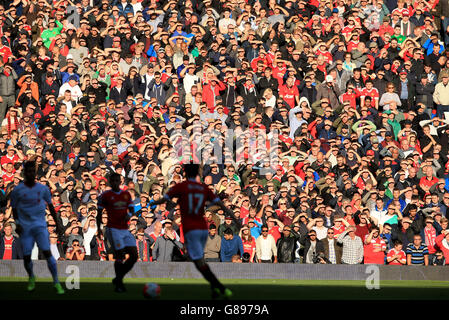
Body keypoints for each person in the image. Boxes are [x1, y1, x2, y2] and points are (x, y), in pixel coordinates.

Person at [151, 164, 234, 299]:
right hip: (198, 231)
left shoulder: (182, 187)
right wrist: (235, 218)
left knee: (195, 262)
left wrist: (152, 203)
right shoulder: (202, 188)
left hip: (193, 232)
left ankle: (218, 287)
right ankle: (215, 287)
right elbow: (218, 203)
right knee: (191, 260)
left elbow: (166, 199)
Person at [10, 161, 64, 294]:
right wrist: (17, 223)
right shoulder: (18, 189)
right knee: (27, 256)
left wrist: (57, 224)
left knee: (47, 252)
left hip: (40, 226)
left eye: (32, 171)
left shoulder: (43, 188)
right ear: (24, 173)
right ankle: (31, 277)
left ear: (35, 173)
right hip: (25, 228)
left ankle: (56, 281)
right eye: (28, 171)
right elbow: (14, 208)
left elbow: (51, 207)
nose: (30, 173)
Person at [96, 172, 138, 293]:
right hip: (112, 229)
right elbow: (99, 213)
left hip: (125, 229)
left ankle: (118, 277)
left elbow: (131, 209)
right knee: (119, 255)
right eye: (112, 181)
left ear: (120, 182)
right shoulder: (105, 195)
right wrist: (99, 229)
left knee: (134, 255)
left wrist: (129, 215)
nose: (115, 183)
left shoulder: (126, 194)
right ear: (110, 182)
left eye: (116, 181)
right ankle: (119, 284)